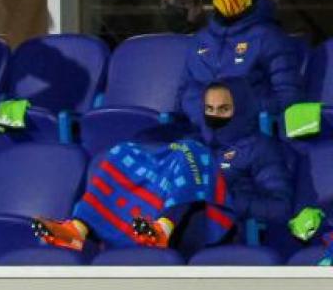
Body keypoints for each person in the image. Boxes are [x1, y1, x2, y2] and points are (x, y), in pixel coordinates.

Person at [34, 78, 291, 252]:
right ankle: (78, 229)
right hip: (155, 220)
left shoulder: (260, 147)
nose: (214, 116)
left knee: (191, 151)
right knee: (124, 150)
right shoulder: (196, 135)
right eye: (209, 109)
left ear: (242, 109)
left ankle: (163, 228)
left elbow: (280, 208)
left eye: (223, 110)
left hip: (213, 223)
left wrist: (222, 193)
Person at [176, 0, 301, 126]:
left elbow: (289, 97)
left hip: (248, 139)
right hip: (198, 134)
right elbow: (183, 94)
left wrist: (238, 112)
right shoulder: (200, 39)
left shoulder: (269, 37)